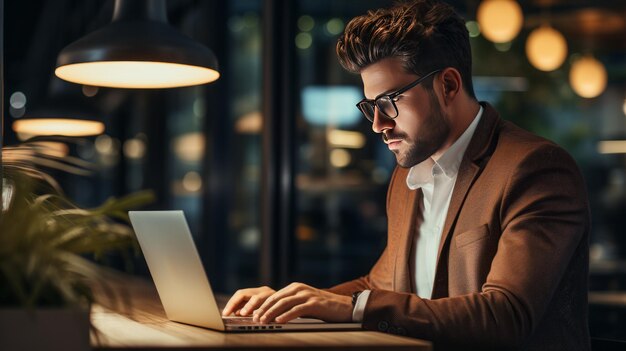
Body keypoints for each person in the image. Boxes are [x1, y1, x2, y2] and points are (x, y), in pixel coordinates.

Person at [223, 0, 591, 349]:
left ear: (448, 85)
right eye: (370, 106)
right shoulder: (407, 178)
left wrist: (351, 307)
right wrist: (288, 301)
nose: (378, 124)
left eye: (390, 102)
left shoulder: (535, 168)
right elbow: (379, 285)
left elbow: (507, 315)